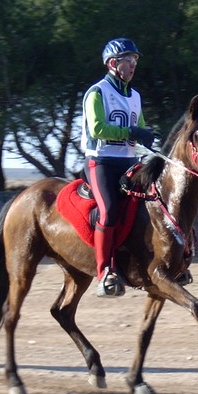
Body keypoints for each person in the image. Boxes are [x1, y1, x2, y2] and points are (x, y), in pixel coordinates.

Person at [81, 38, 155, 297]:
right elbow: (97, 128)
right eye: (128, 60)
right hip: (101, 162)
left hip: (129, 162)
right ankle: (104, 274)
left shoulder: (135, 96)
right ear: (113, 64)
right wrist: (131, 131)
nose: (133, 64)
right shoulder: (97, 92)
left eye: (135, 60)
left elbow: (140, 127)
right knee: (110, 210)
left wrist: (146, 137)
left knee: (156, 201)